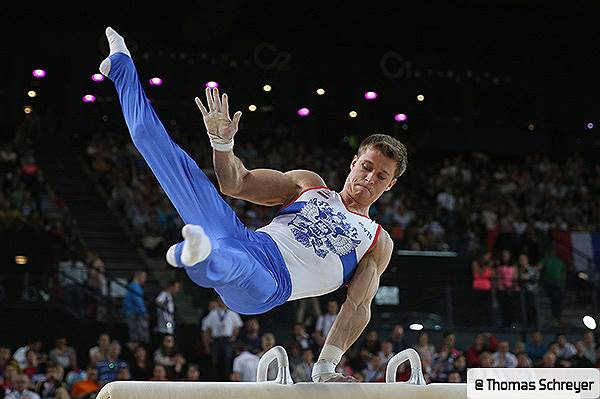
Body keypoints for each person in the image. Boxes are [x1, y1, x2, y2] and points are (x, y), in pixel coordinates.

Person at [99, 27, 404, 383]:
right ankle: (121, 67)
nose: (369, 179)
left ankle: (196, 253)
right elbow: (235, 183)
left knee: (231, 265)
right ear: (354, 162)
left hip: (270, 284)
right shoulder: (309, 184)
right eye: (366, 167)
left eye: (380, 176)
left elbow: (358, 306)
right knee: (168, 158)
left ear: (390, 184)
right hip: (244, 238)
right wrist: (222, 144)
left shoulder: (377, 240)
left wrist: (324, 367)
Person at [122, 270, 149, 344]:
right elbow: (138, 301)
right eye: (144, 277)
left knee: (134, 335)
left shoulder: (131, 286)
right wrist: (144, 312)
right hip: (135, 315)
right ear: (138, 276)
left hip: (131, 313)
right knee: (138, 337)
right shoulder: (135, 287)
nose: (145, 279)